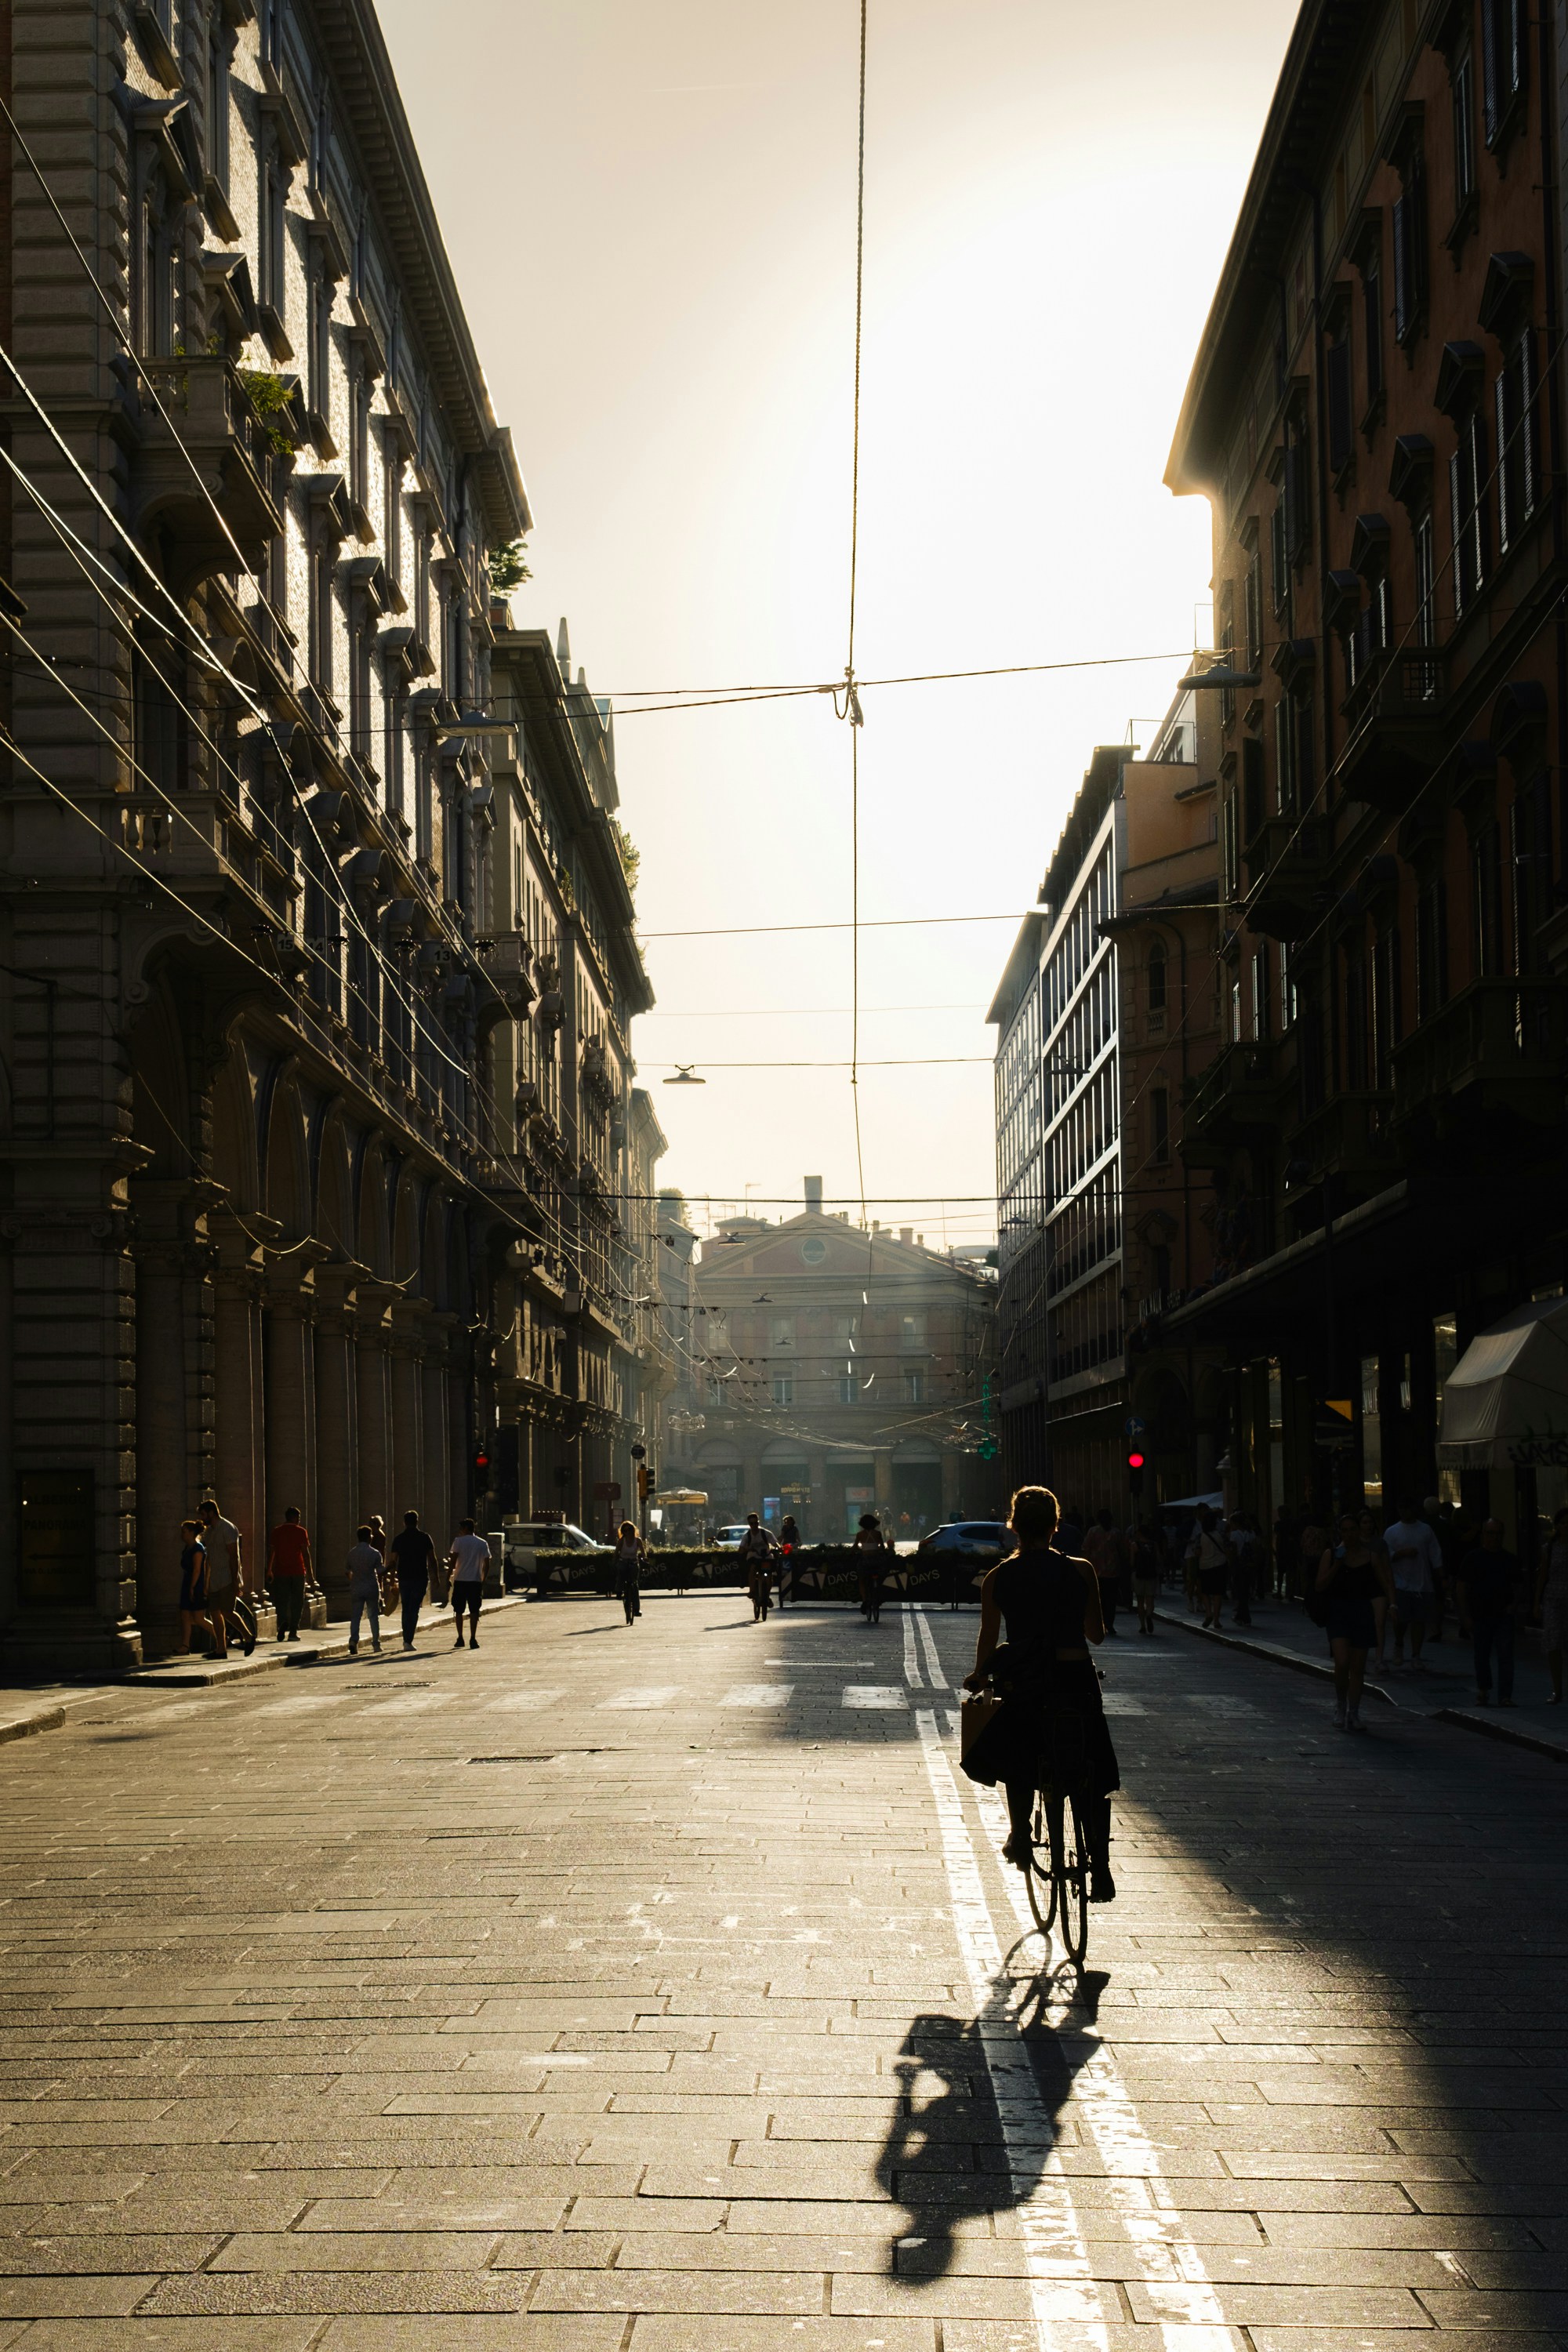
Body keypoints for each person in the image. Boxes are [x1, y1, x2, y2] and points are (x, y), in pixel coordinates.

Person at [960, 1484, 1119, 1901]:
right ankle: (1100, 1868)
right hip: (1073, 1677)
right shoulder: (1080, 1570)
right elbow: (1096, 1636)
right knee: (1091, 1768)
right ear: (1055, 1525)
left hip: (1027, 1680)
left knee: (1018, 1754)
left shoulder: (997, 1578)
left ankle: (1021, 1833)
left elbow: (989, 1637)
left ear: (1013, 1526)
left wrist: (979, 1675)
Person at [1315, 1511, 1394, 1732]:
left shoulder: (1371, 1556)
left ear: (1359, 1531)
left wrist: (1392, 1604)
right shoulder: (1330, 1555)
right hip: (1338, 1612)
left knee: (1357, 1667)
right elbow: (1320, 1585)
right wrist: (1338, 1564)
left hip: (1361, 1612)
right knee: (1342, 1662)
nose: (1349, 1534)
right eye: (1345, 1530)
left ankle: (1354, 1712)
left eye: (1353, 1530)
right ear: (1339, 1532)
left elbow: (1385, 1581)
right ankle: (1340, 1706)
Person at [1458, 1518, 1524, 1707]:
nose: (1493, 1538)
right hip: (1480, 1614)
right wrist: (1465, 1616)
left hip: (1503, 1614)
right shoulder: (1473, 1558)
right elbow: (1462, 1588)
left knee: (1505, 1656)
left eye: (1497, 1534)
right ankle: (1483, 1689)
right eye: (1490, 1533)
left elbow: (1519, 1585)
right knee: (1482, 1654)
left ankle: (1505, 1695)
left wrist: (1513, 1606)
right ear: (1483, 1535)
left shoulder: (1509, 1560)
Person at [1383, 1497, 1443, 1671]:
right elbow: (1387, 1556)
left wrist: (1441, 1576)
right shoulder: (1391, 1532)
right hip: (1400, 1583)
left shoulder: (1425, 1530)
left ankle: (1416, 1654)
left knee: (1419, 1621)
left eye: (1407, 1508)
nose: (1404, 1512)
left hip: (1422, 1582)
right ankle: (1400, 1643)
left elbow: (1435, 1554)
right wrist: (1401, 1554)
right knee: (1401, 1620)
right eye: (1401, 1508)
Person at [198, 1497, 250, 1657]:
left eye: (204, 1515)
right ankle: (221, 1649)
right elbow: (208, 1558)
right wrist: (206, 1582)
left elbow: (234, 1556)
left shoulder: (227, 1528)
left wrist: (235, 1581)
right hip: (214, 1579)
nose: (202, 1518)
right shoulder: (209, 1531)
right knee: (214, 1613)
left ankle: (248, 1636)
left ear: (212, 1513)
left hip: (227, 1577)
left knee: (227, 1612)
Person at [390, 1509, 437, 1650]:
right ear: (417, 1521)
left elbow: (393, 1561)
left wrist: (392, 1580)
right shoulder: (425, 1537)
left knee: (406, 1608)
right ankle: (408, 1640)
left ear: (404, 1522)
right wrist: (436, 1578)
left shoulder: (398, 1539)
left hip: (404, 1578)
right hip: (420, 1577)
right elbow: (432, 1559)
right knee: (414, 1609)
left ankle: (406, 1639)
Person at [1535, 1504, 1568, 1704]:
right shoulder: (1550, 1548)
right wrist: (1536, 1602)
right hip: (1554, 1597)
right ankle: (1557, 1689)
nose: (1566, 1527)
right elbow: (1542, 1575)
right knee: (1554, 1644)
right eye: (1563, 1524)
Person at [267, 1506, 313, 1642]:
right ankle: (293, 1631)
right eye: (298, 1518)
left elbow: (272, 1552)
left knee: (281, 1600)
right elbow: (305, 1554)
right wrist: (310, 1575)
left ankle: (282, 1623)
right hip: (298, 1571)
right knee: (297, 1602)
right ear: (293, 1517)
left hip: (281, 1571)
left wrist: (269, 1569)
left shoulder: (277, 1531)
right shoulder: (301, 1532)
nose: (299, 1520)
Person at [448, 1518, 492, 1648]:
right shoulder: (482, 1543)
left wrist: (448, 1578)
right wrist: (483, 1579)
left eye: (461, 1528)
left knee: (458, 1610)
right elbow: (487, 1564)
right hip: (475, 1581)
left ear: (466, 1528)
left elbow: (453, 1560)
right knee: (474, 1611)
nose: (460, 1531)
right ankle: (473, 1638)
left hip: (461, 1580)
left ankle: (460, 1637)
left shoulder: (458, 1541)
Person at [1187, 1508, 1229, 1630]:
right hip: (1220, 1565)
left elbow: (1197, 1552)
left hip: (1205, 1566)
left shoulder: (1200, 1536)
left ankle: (1208, 1613)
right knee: (1218, 1594)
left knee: (1205, 1592)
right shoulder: (1221, 1534)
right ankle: (1216, 1619)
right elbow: (1227, 1548)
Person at [177, 1517, 214, 1655]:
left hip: (196, 1584)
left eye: (184, 1532)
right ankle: (185, 1646)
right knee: (185, 1616)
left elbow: (198, 1570)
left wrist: (192, 1587)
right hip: (187, 1582)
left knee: (199, 1618)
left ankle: (222, 1637)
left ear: (192, 1533)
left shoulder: (198, 1548)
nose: (182, 1534)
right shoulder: (188, 1548)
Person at [346, 1525, 384, 1655]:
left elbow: (347, 1571)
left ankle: (353, 1641)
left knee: (356, 1616)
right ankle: (376, 1644)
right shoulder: (374, 1553)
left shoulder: (351, 1553)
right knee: (373, 1616)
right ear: (369, 1537)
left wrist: (354, 1580)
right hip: (371, 1587)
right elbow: (380, 1571)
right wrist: (390, 1567)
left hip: (357, 1587)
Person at [1083, 1510, 1121, 1636]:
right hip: (1113, 1571)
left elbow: (1086, 1549)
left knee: (1098, 1600)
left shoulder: (1093, 1532)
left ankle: (1100, 1624)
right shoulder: (1116, 1532)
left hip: (1096, 1571)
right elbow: (1121, 1551)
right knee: (1111, 1600)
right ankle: (1109, 1623)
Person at [737, 1513, 775, 1622]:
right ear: (749, 1524)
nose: (754, 1525)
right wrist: (748, 1549)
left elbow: (775, 1543)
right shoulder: (747, 1536)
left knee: (769, 1575)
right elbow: (740, 1550)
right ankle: (752, 1591)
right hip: (754, 1557)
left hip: (767, 1557)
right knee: (753, 1569)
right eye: (752, 1523)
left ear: (759, 1522)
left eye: (756, 1523)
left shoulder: (766, 1533)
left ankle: (766, 1595)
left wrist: (779, 1548)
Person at [853, 1512, 890, 1624]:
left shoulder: (860, 1535)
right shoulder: (878, 1534)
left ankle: (865, 1600)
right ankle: (878, 1595)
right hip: (877, 1562)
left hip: (865, 1562)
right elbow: (883, 1547)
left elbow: (854, 1547)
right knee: (882, 1576)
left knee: (862, 1580)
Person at [1131, 1517, 1161, 1635]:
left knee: (1139, 1600)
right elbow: (1158, 1559)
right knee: (1150, 1599)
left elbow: (1132, 1562)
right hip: (1151, 1574)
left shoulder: (1135, 1545)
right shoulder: (1154, 1544)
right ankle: (1149, 1614)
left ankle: (1142, 1625)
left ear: (1139, 1533)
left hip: (1138, 1574)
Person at [614, 1519, 644, 1626]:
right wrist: (614, 1561)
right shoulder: (622, 1541)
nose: (628, 1532)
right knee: (621, 1574)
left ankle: (636, 1609)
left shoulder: (638, 1540)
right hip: (623, 1561)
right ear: (623, 1532)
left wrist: (645, 1558)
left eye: (630, 1530)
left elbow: (643, 1553)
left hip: (634, 1562)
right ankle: (618, 1591)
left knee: (634, 1584)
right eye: (625, 1531)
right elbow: (616, 1552)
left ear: (633, 1530)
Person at [777, 1513, 800, 1609]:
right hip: (786, 1546)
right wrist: (777, 1542)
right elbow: (782, 1537)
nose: (787, 1522)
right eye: (786, 1521)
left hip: (793, 1546)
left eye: (788, 1521)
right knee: (784, 1559)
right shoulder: (784, 1528)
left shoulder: (795, 1529)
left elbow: (798, 1538)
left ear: (792, 1521)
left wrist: (798, 1544)